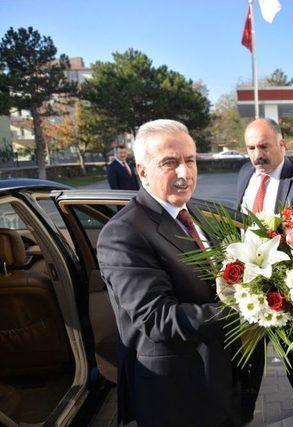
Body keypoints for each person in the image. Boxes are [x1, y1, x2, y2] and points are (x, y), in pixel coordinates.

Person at [96, 119, 240, 427]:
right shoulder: (122, 233)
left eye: (190, 161)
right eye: (170, 163)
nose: (184, 173)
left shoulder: (199, 212)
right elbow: (158, 318)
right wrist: (247, 314)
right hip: (177, 395)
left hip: (221, 380)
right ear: (142, 170)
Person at [237, 118, 293, 427]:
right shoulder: (245, 173)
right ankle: (243, 411)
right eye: (250, 148)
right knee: (248, 356)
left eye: (264, 146)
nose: (257, 155)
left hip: (289, 287)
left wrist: (291, 282)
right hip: (248, 283)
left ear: (282, 145)